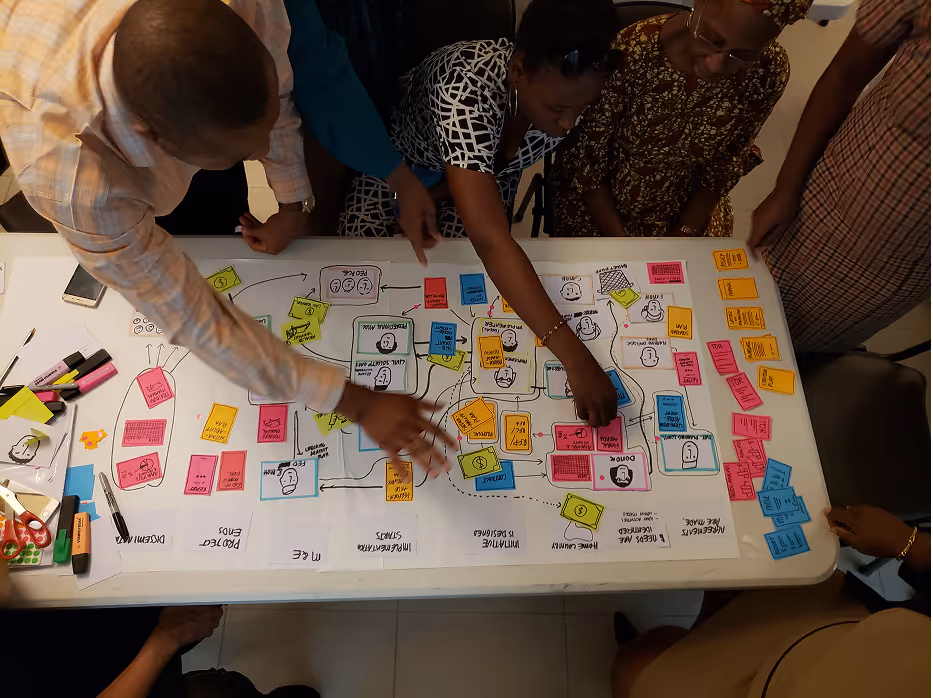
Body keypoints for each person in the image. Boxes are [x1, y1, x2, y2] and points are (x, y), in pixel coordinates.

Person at [0, 0, 453, 476]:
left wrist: (291, 201)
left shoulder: (242, 8)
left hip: (181, 113)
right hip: (70, 116)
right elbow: (196, 319)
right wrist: (353, 401)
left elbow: (270, 99)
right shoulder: (76, 182)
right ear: (156, 141)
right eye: (241, 152)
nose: (259, 152)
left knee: (227, 191)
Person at [336, 0, 620, 427]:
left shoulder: (571, 85)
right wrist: (576, 358)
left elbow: (487, 207)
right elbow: (491, 239)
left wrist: (464, 193)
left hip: (480, 183)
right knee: (354, 281)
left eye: (579, 110)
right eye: (558, 110)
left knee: (464, 306)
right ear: (519, 71)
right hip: (399, 170)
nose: (567, 125)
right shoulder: (464, 88)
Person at [750, 0, 930, 352]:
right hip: (831, 208)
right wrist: (786, 187)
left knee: (805, 356)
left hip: (912, 270)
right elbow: (845, 73)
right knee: (753, 311)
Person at [549, 0, 811, 238]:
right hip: (602, 204)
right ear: (700, 4)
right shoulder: (635, 50)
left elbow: (727, 161)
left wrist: (685, 231)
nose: (715, 65)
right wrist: (625, 244)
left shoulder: (767, 72)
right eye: (712, 39)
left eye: (742, 54)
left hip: (688, 204)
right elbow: (587, 158)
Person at [610, 504, 930, 697]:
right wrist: (910, 543)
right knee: (737, 567)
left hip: (768, 686)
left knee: (633, 666)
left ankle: (690, 639)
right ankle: (706, 627)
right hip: (842, 627)